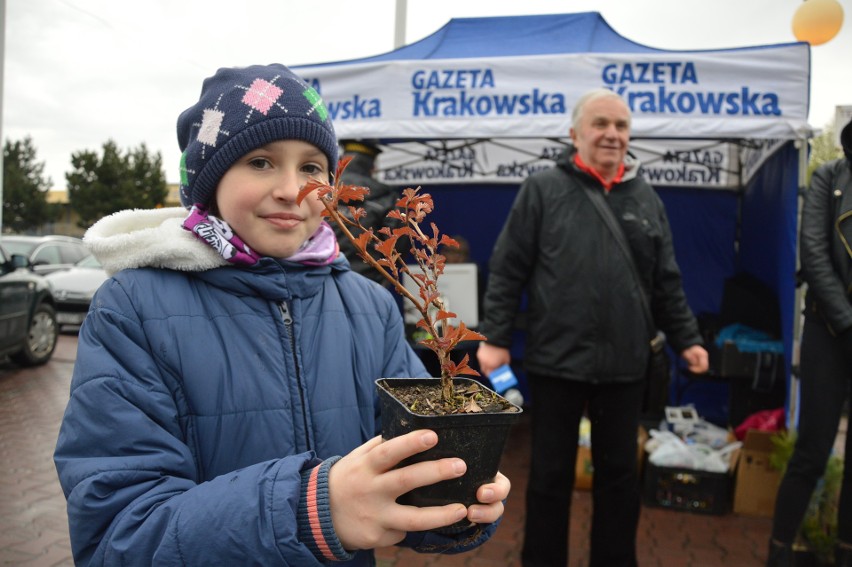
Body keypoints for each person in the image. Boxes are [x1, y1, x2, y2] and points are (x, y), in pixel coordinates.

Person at [53, 63, 510, 567]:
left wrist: (448, 508)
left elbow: (404, 469)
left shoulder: (371, 307)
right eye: (261, 162)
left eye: (313, 167)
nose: (293, 190)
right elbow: (118, 536)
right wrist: (311, 513)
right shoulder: (133, 309)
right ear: (208, 180)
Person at [476, 88, 708, 567]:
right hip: (556, 360)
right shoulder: (542, 190)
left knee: (620, 478)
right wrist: (495, 338)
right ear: (575, 133)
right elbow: (508, 268)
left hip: (625, 365)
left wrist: (688, 339)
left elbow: (666, 280)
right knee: (550, 476)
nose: (612, 134)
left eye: (621, 126)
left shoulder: (645, 197)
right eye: (601, 124)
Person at [767, 119, 852, 567]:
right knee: (812, 451)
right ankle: (779, 550)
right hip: (829, 331)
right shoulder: (831, 175)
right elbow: (815, 253)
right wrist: (848, 322)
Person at [335, 139, 400, 284]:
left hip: (325, 277)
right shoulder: (386, 197)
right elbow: (398, 245)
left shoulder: (323, 193)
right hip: (369, 281)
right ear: (370, 166)